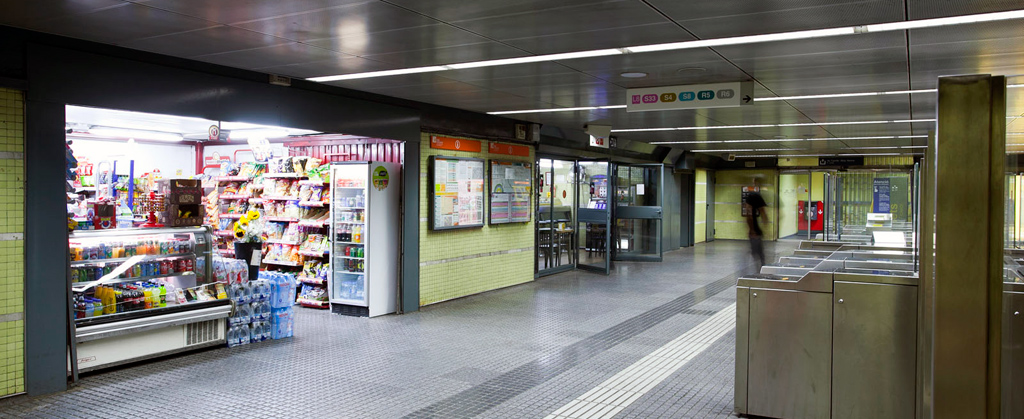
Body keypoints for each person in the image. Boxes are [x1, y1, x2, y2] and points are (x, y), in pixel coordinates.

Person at [744, 191, 769, 269]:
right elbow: (763, 213)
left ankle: (760, 267)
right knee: (759, 252)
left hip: (755, 231)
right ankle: (761, 266)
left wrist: (752, 230)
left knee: (757, 252)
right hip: (755, 231)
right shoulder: (753, 201)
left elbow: (750, 216)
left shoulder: (750, 202)